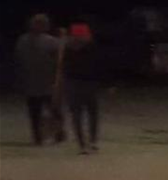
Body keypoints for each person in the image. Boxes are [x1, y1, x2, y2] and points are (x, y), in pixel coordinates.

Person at [14, 14, 62, 146]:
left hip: (48, 82)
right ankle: (37, 137)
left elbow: (59, 61)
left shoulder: (51, 41)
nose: (38, 26)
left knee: (54, 110)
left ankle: (58, 133)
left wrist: (57, 79)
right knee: (34, 112)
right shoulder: (23, 40)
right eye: (36, 24)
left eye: (41, 24)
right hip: (31, 82)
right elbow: (19, 59)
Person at [62, 23, 102, 154]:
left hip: (74, 83)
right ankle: (92, 141)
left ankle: (82, 144)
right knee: (91, 113)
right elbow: (98, 65)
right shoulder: (91, 47)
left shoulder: (68, 48)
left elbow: (64, 67)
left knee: (77, 114)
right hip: (88, 83)